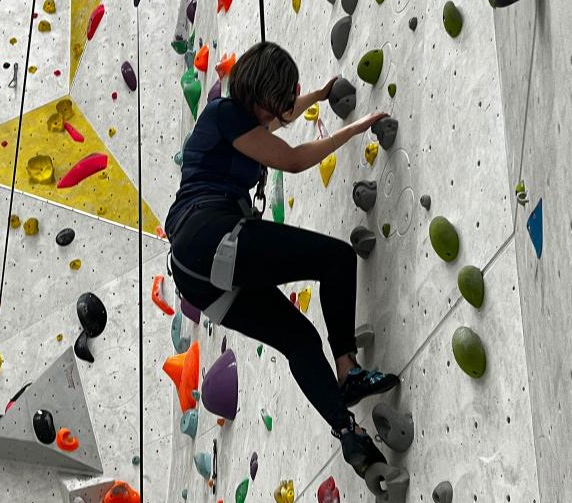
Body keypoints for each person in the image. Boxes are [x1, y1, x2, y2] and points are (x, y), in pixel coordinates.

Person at [165, 41, 400, 479]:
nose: (284, 108)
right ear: (265, 95)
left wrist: (318, 95)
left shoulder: (229, 123)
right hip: (208, 236)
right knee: (336, 260)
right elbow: (290, 161)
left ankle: (349, 433)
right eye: (282, 97)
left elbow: (275, 125)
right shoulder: (227, 114)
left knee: (299, 340)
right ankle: (347, 371)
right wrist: (353, 130)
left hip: (194, 274)